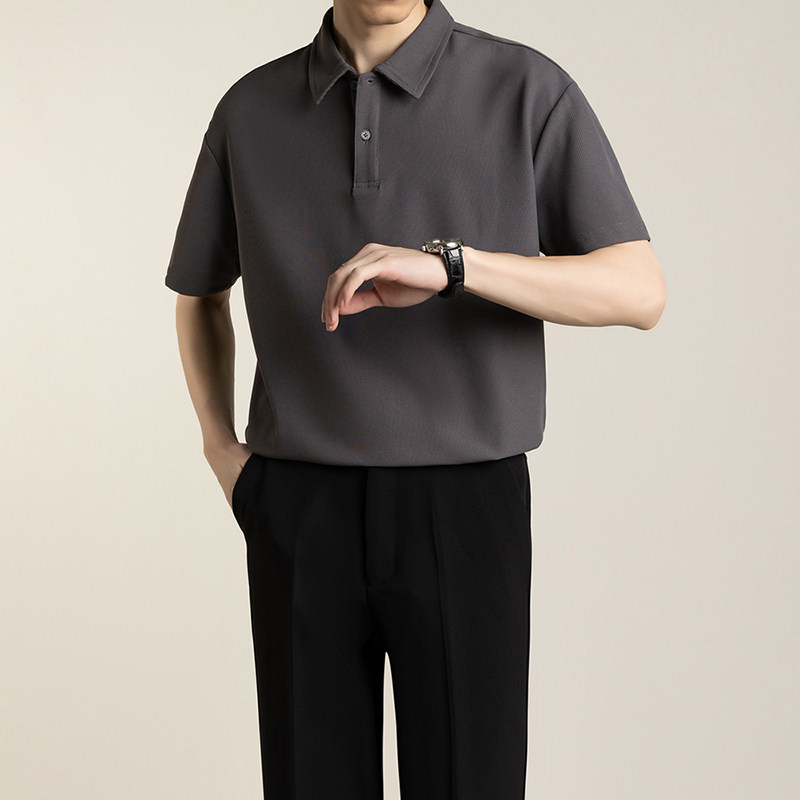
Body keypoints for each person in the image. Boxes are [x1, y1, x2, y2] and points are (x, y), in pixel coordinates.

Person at [164, 0, 666, 797]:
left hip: (466, 507)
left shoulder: (525, 89)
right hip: (300, 504)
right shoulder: (250, 110)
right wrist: (221, 452)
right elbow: (199, 294)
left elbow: (639, 290)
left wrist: (453, 266)